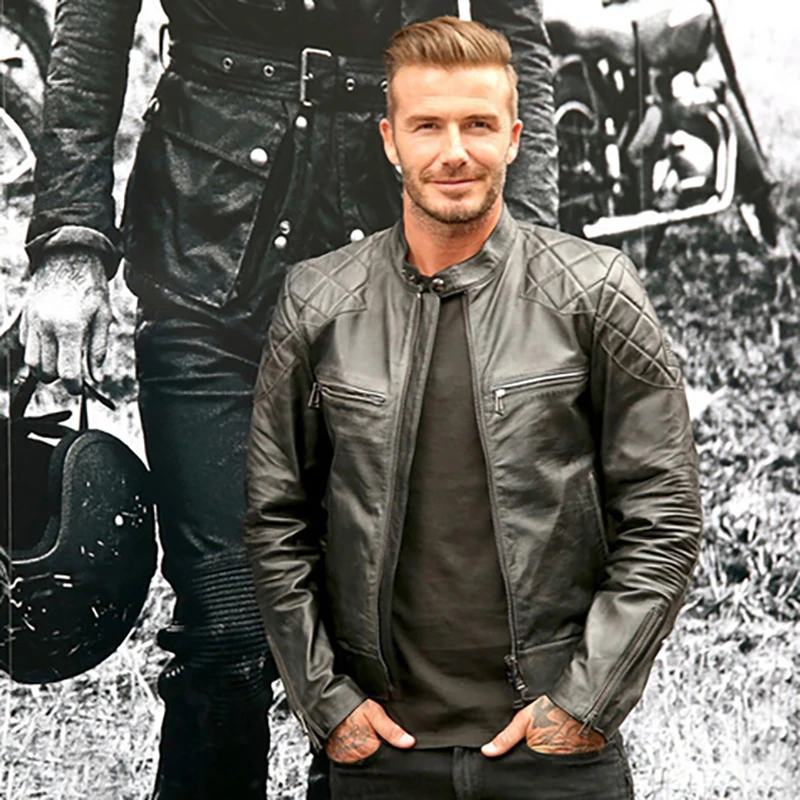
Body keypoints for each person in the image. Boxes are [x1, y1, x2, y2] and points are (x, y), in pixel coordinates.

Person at [18, 2, 557, 798]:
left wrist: (526, 255)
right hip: (206, 253)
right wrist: (70, 241)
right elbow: (94, 19)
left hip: (400, 264)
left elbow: (515, 40)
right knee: (228, 632)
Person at [244, 16, 703, 799]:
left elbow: (663, 515)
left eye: (479, 125)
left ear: (515, 138)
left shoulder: (595, 292)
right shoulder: (318, 301)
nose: (454, 152)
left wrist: (583, 705)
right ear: (390, 141)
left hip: (555, 754)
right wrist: (329, 706)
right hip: (381, 756)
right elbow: (275, 520)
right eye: (427, 126)